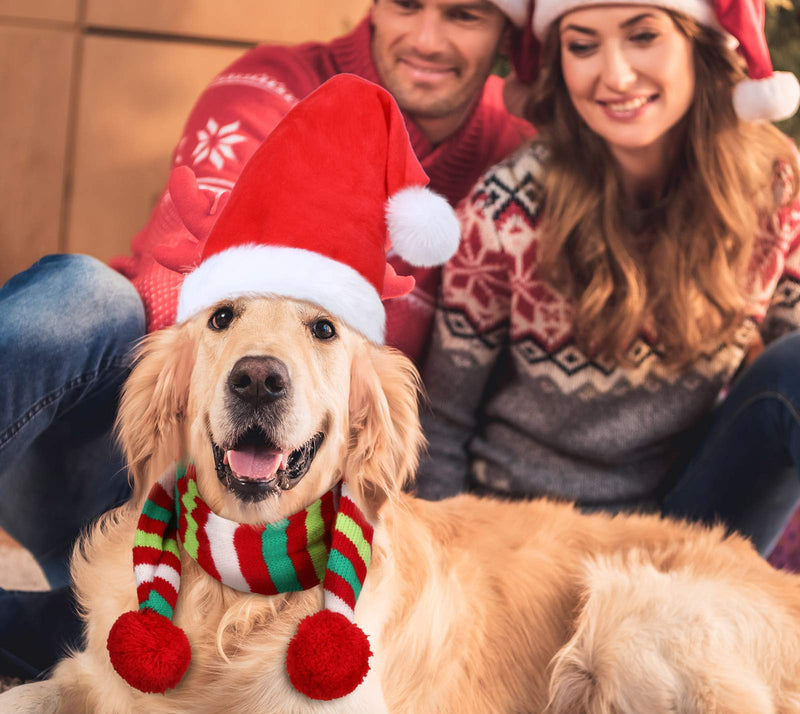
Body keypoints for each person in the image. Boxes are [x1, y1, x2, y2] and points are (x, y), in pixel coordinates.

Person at [0, 0, 535, 679]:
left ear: (508, 34)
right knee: (86, 294)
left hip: (296, 521)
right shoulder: (270, 85)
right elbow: (184, 291)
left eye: (465, 14)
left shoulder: (513, 156)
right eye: (407, 3)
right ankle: (109, 611)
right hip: (146, 451)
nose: (427, 38)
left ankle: (80, 629)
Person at [417, 0, 800, 558]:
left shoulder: (774, 188)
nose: (615, 75)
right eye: (583, 45)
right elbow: (442, 423)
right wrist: (447, 571)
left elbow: (787, 386)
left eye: (643, 35)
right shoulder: (508, 210)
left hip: (690, 520)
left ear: (700, 43)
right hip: (529, 537)